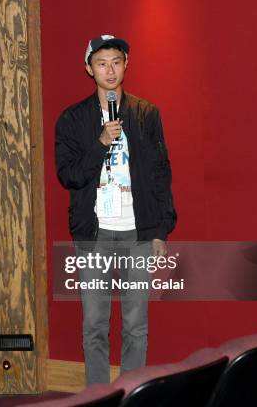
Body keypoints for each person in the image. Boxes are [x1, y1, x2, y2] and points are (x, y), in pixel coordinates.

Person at [55, 35, 176, 383]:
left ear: (126, 66)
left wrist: (160, 231)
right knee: (94, 323)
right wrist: (101, 143)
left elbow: (161, 174)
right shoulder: (72, 120)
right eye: (101, 63)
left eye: (116, 62)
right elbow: (69, 175)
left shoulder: (146, 113)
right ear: (88, 69)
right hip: (93, 234)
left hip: (138, 231)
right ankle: (98, 394)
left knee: (136, 324)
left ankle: (131, 390)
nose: (110, 70)